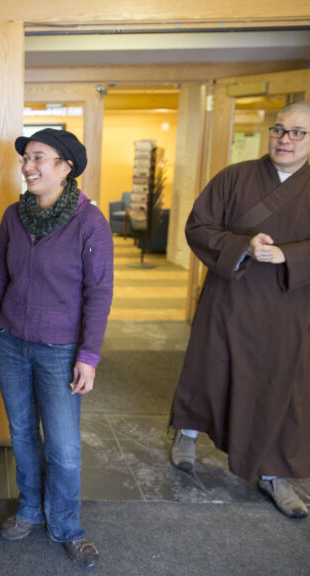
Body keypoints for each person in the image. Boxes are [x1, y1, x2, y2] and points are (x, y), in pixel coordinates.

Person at [0, 128, 113, 569]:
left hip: (60, 348)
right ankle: (31, 509)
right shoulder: (13, 216)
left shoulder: (90, 222)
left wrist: (89, 355)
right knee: (21, 433)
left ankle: (68, 526)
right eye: (25, 158)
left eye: (38, 157)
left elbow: (99, 292)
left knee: (63, 446)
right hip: (12, 340)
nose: (27, 166)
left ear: (65, 167)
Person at [169, 100, 310, 519]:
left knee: (282, 387)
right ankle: (188, 431)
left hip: (289, 305)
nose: (285, 140)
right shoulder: (235, 177)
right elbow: (198, 226)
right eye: (279, 130)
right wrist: (243, 246)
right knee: (209, 368)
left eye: (298, 132)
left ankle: (273, 471)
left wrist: (290, 256)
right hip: (230, 296)